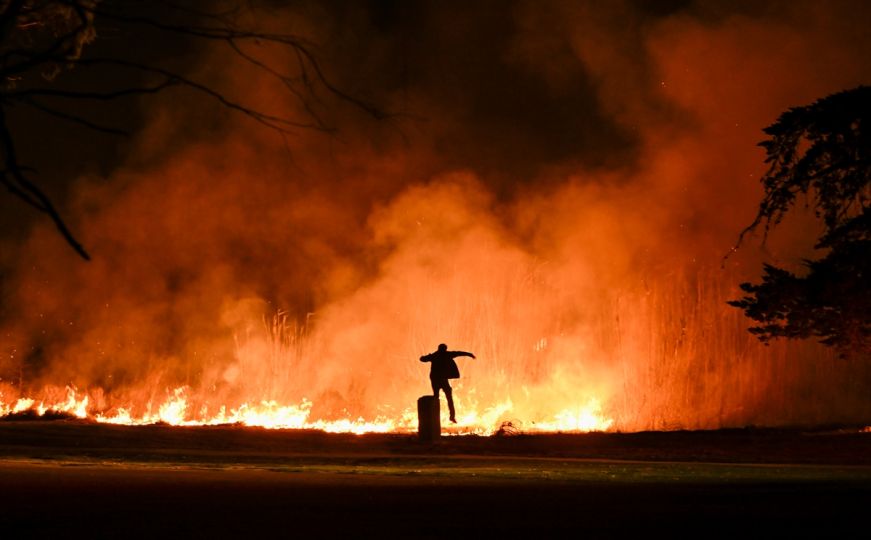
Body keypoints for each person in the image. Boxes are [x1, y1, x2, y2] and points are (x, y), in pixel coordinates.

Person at [419, 343, 476, 423]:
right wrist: (470, 354)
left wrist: (426, 356)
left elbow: (422, 359)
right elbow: (459, 353)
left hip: (435, 379)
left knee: (436, 397)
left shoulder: (434, 355)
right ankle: (451, 417)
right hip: (442, 379)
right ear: (445, 349)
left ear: (439, 348)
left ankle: (435, 417)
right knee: (449, 398)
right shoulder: (447, 354)